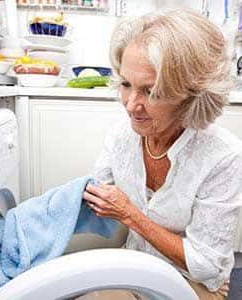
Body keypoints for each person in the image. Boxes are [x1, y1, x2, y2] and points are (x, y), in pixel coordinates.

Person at [81, 8, 242, 300]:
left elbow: (205, 267)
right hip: (136, 263)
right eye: (126, 84)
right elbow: (91, 195)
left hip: (193, 280)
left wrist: (130, 215)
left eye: (152, 92)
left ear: (192, 95)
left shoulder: (223, 157)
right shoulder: (121, 136)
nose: (131, 105)